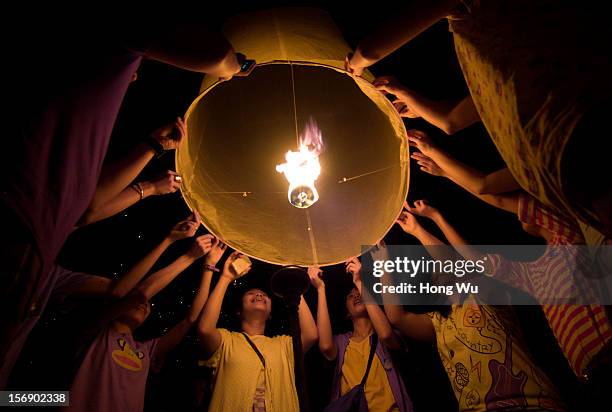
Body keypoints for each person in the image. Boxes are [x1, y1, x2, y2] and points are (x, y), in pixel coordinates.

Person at [0, 19, 251, 388]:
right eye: (134, 71)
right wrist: (237, 66)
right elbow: (159, 307)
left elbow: (87, 209)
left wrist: (151, 176)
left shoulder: (47, 273)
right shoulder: (93, 333)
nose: (134, 79)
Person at [347, 0, 612, 237]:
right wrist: (406, 95)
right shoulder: (510, 74)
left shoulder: (529, 65)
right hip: (562, 162)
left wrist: (353, 67)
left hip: (572, 137)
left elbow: (372, 51)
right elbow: (451, 121)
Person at [385, 210, 566, 411]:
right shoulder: (440, 324)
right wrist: (382, 266)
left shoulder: (485, 296)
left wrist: (418, 229)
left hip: (531, 403)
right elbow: (396, 317)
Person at [63, 231, 224, 411]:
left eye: (148, 305)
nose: (145, 304)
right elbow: (141, 294)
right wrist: (189, 255)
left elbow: (191, 318)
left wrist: (209, 266)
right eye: (141, 302)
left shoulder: (146, 350)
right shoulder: (95, 329)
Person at [197, 253, 318, 411]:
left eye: (265, 295)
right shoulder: (227, 340)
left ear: (270, 314)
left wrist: (293, 286)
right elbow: (205, 329)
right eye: (251, 294)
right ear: (239, 311)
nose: (259, 295)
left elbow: (311, 335)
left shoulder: (282, 344)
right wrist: (226, 278)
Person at [308, 260, 413, 412]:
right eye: (350, 296)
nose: (356, 295)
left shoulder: (383, 338)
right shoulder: (342, 342)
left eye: (359, 293)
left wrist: (359, 281)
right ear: (347, 314)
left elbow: (386, 334)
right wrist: (320, 289)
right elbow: (325, 346)